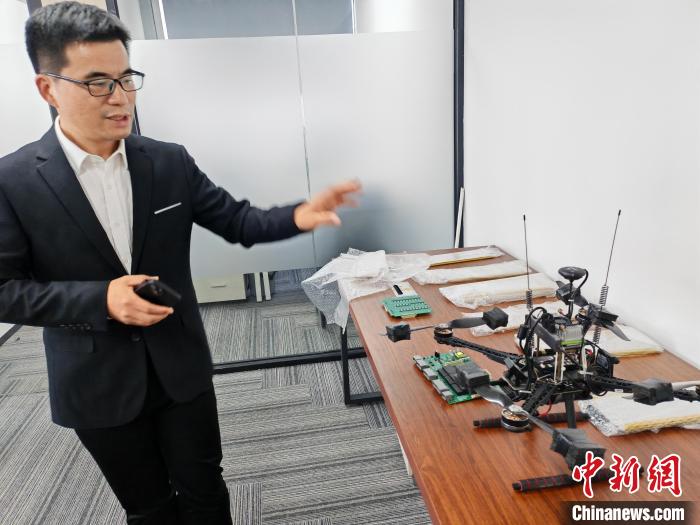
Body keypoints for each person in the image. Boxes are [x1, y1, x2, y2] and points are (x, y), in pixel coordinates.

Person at [0, 2, 360, 524]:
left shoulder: (166, 161)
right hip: (95, 380)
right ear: (48, 88)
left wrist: (297, 215)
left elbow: (237, 221)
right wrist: (100, 299)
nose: (120, 97)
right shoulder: (13, 182)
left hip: (179, 366)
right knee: (148, 509)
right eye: (97, 83)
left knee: (206, 492)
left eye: (127, 78)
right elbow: (5, 289)